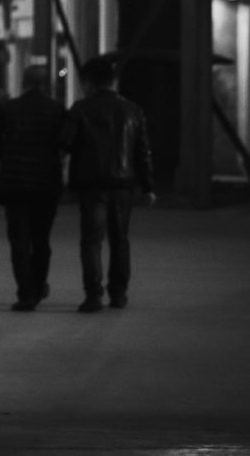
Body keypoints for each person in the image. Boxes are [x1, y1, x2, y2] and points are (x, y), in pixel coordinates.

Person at [61, 57, 156, 313]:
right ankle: (118, 293)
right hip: (123, 184)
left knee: (91, 240)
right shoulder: (133, 110)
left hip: (92, 183)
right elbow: (142, 152)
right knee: (120, 239)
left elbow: (65, 141)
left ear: (89, 82)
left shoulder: (81, 109)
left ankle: (93, 295)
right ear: (114, 81)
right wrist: (148, 186)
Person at [0, 65, 68, 311]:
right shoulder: (57, 110)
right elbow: (66, 142)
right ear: (47, 84)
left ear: (23, 82)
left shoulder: (10, 109)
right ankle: (39, 284)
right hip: (46, 183)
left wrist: (4, 156)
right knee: (41, 239)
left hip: (15, 183)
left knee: (19, 240)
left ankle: (26, 293)